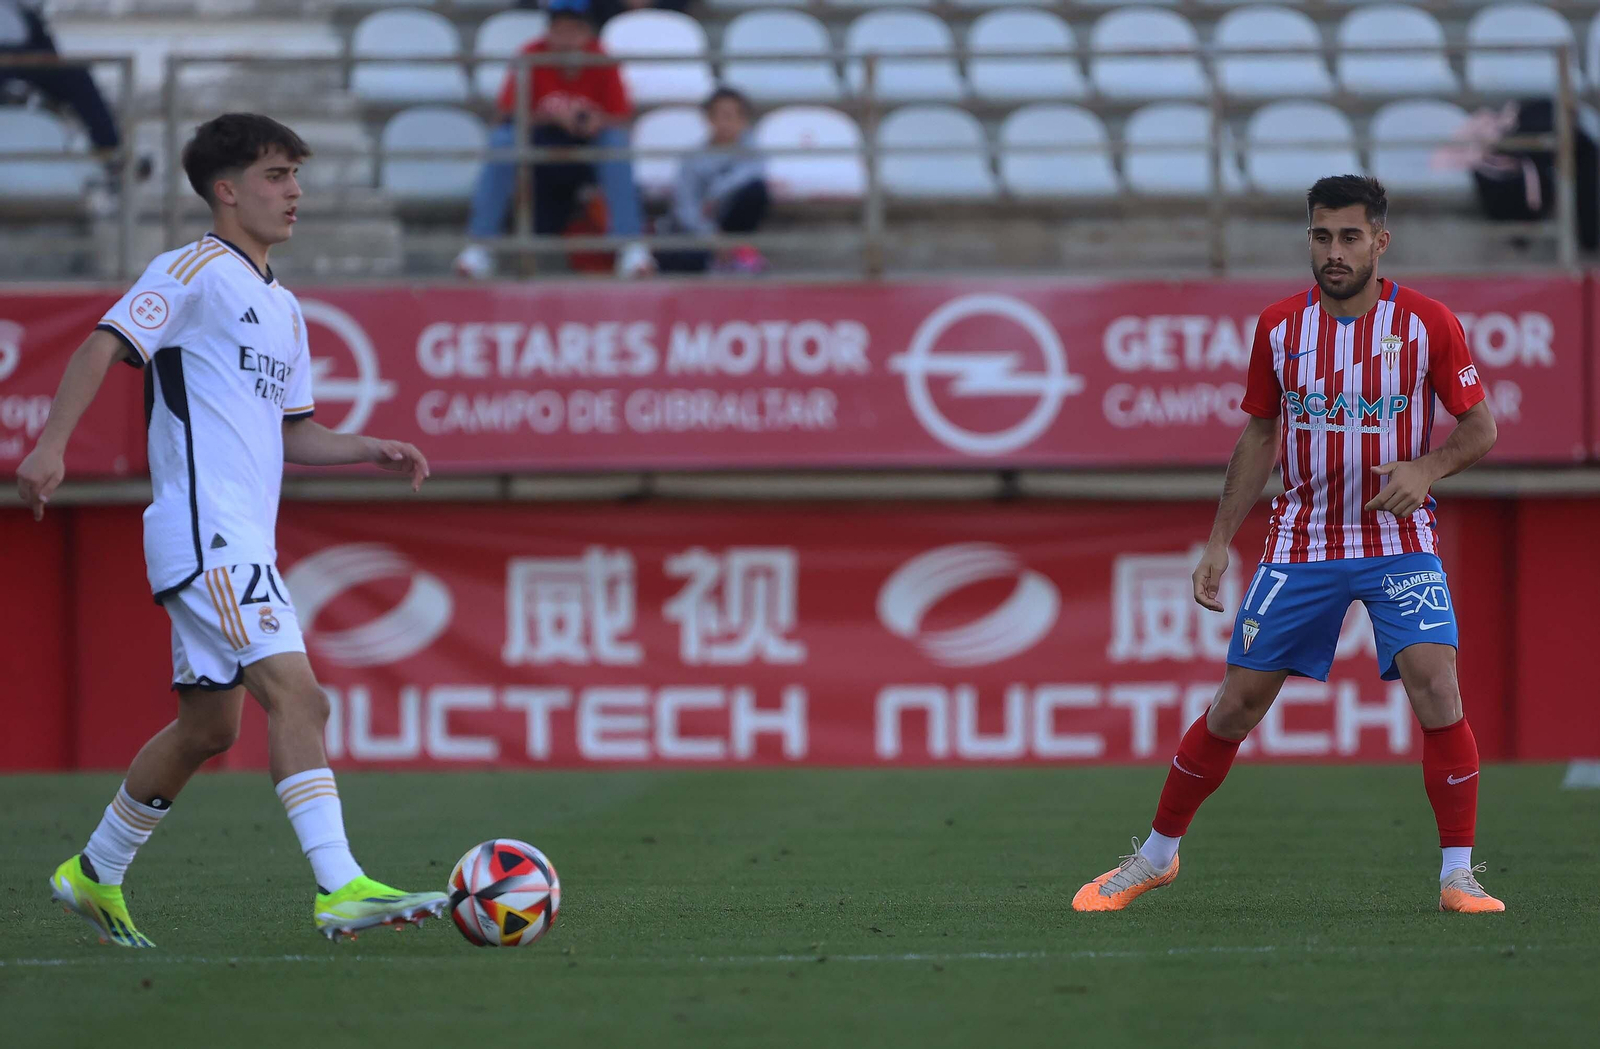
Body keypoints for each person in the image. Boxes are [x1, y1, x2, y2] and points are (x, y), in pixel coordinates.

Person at [15, 112, 447, 947]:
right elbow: (103, 344)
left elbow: (293, 432)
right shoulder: (192, 271)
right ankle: (340, 884)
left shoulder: (283, 307)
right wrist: (50, 444)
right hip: (207, 529)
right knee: (301, 696)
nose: (295, 192)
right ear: (226, 190)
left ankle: (95, 869)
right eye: (276, 175)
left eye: (296, 175)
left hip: (237, 535)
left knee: (210, 727)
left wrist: (367, 447)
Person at [1071, 176, 1504, 916]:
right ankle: (1155, 858)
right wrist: (1218, 542)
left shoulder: (1427, 322)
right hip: (1302, 541)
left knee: (1437, 683)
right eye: (1321, 236)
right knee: (1235, 706)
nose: (1334, 252)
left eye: (1349, 237)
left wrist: (1426, 469)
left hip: (1399, 538)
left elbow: (1480, 427)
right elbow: (1260, 434)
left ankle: (1458, 876)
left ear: (1380, 242)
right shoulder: (1279, 327)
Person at [456, 0, 652, 279]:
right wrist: (552, 116)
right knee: (502, 141)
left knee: (616, 142)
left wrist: (595, 120)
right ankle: (480, 245)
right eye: (560, 29)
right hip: (541, 142)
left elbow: (621, 117)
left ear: (587, 32)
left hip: (587, 147)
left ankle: (630, 245)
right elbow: (506, 114)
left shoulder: (601, 57)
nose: (566, 38)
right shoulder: (531, 54)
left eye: (574, 29)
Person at [655, 86, 769, 275]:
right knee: (675, 254)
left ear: (743, 120)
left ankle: (737, 253)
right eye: (719, 116)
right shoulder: (692, 158)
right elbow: (686, 206)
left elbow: (752, 177)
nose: (725, 123)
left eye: (731, 116)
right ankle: (724, 259)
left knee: (755, 192)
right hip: (701, 230)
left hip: (729, 220)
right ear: (708, 118)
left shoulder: (752, 152)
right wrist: (711, 237)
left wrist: (715, 195)